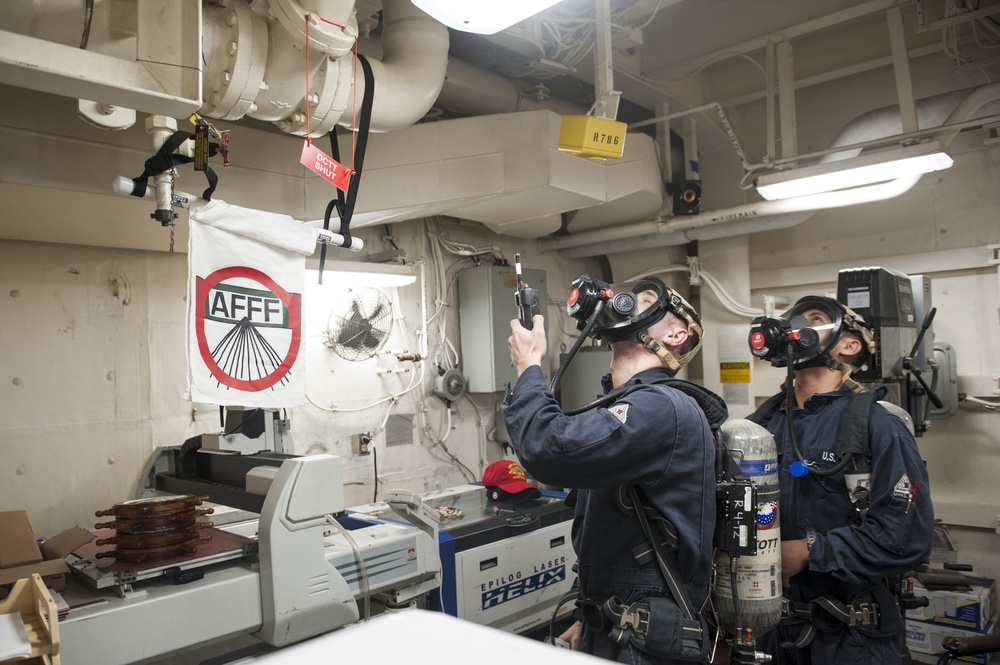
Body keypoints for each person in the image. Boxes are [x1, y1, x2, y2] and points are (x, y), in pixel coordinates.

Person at [501, 276, 721, 664]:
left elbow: (548, 450)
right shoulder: (624, 408)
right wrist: (590, 614)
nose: (629, 301)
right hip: (616, 624)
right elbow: (611, 532)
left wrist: (529, 367)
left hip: (646, 643)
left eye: (647, 299)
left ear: (675, 335)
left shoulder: (661, 408)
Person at [750, 296, 935, 664]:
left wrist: (808, 551)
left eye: (815, 318)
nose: (796, 323)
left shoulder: (877, 425)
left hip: (850, 636)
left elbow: (908, 537)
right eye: (794, 317)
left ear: (849, 345)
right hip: (772, 633)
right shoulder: (759, 428)